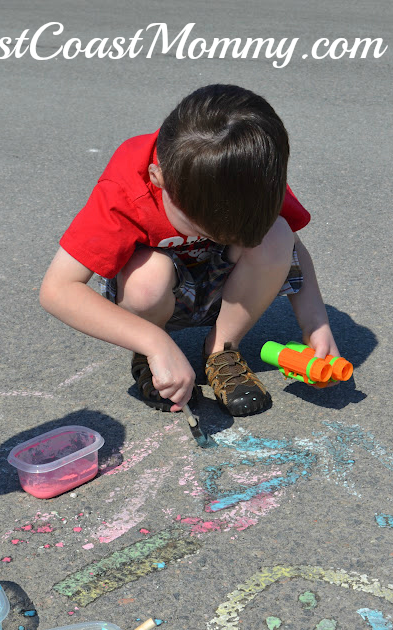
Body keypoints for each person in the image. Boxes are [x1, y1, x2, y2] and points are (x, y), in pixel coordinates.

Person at [40, 84, 339, 416]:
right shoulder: (127, 188)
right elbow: (57, 289)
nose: (209, 236)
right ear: (158, 178)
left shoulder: (248, 177)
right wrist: (153, 342)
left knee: (276, 234)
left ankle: (222, 350)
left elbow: (293, 247)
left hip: (228, 291)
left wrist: (315, 325)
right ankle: (150, 354)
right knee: (147, 275)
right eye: (199, 227)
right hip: (153, 298)